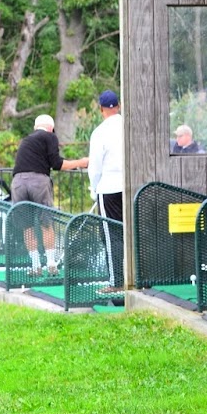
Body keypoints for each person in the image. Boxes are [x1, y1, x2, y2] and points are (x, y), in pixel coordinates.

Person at [10, 114, 85, 275]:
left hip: (17, 182)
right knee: (46, 222)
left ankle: (35, 266)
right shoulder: (49, 136)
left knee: (27, 226)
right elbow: (57, 164)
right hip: (38, 181)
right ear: (51, 128)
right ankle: (51, 264)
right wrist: (82, 162)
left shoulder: (26, 140)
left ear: (35, 127)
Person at [87, 91, 126, 290]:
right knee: (130, 232)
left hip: (109, 187)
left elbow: (95, 167)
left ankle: (116, 282)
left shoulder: (100, 132)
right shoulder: (129, 127)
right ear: (117, 106)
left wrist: (94, 189)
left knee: (112, 236)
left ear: (101, 109)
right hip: (130, 187)